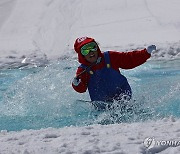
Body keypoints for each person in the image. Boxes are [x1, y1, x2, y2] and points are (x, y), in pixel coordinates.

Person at [72, 36, 156, 110]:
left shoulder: (109, 57)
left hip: (122, 96)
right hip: (102, 105)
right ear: (81, 55)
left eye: (92, 47)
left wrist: (145, 53)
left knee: (124, 109)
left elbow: (129, 59)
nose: (90, 52)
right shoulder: (83, 70)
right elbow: (82, 88)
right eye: (85, 50)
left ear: (97, 48)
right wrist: (76, 84)